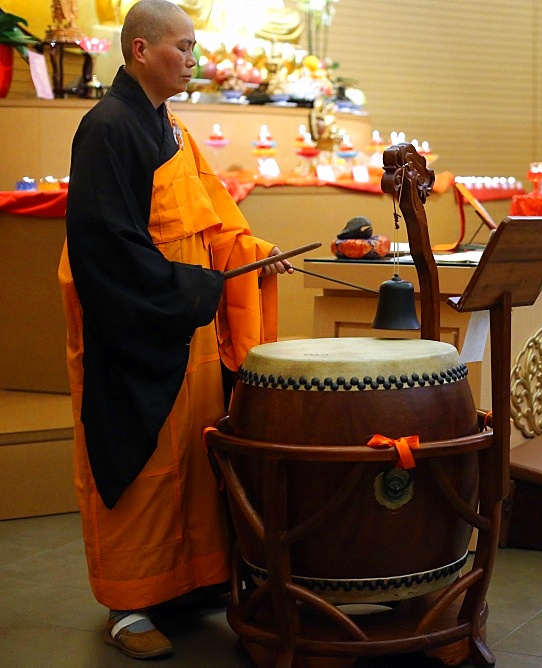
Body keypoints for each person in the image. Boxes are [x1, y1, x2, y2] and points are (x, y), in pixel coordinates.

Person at [56, 0, 291, 659]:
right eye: (183, 47)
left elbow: (215, 225)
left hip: (188, 334)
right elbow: (105, 248)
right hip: (136, 335)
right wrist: (192, 289)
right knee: (143, 470)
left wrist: (252, 260)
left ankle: (186, 583)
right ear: (138, 51)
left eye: (194, 48)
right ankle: (129, 606)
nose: (194, 59)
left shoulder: (174, 130)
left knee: (191, 461)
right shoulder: (107, 128)